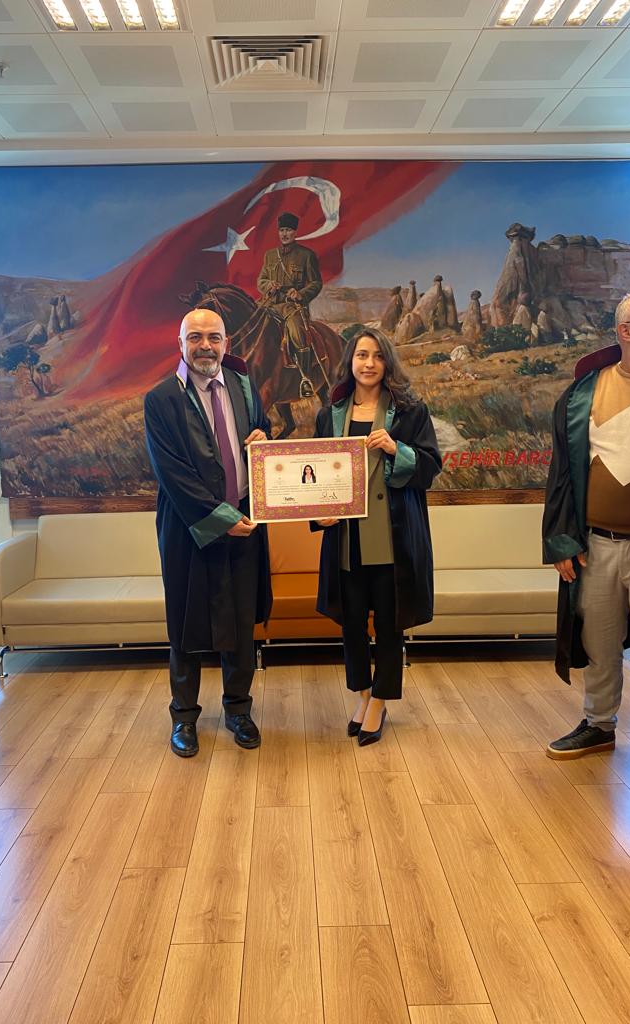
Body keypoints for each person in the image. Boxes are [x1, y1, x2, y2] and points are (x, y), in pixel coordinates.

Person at [542, 288, 630, 771]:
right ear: (625, 332)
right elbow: (561, 475)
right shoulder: (583, 393)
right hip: (596, 545)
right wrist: (561, 541)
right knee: (599, 643)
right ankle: (598, 723)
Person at [144, 308, 272, 758]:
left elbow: (260, 431)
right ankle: (184, 717)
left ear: (226, 343)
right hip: (189, 529)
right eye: (195, 337)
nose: (205, 346)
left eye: (213, 337)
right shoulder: (161, 399)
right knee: (186, 624)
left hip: (246, 524)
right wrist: (220, 519)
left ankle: (238, 710)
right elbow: (172, 473)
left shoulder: (242, 385)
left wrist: (262, 435)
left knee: (241, 621)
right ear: (180, 344)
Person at [313, 327, 441, 746]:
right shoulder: (330, 413)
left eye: (377, 356)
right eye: (361, 355)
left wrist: (395, 449)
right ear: (349, 361)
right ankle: (363, 695)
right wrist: (319, 515)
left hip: (392, 537)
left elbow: (429, 467)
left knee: (389, 623)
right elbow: (316, 476)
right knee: (352, 623)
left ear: (388, 362)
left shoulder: (409, 411)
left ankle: (381, 700)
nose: (369, 363)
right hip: (345, 540)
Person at [257, 211, 322, 374]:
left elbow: (316, 283)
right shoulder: (270, 255)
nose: (284, 234)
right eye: (282, 230)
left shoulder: (306, 255)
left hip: (292, 307)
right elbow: (261, 280)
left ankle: (305, 376)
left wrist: (301, 294)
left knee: (297, 333)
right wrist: (268, 285)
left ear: (295, 232)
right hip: (269, 304)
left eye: (288, 230)